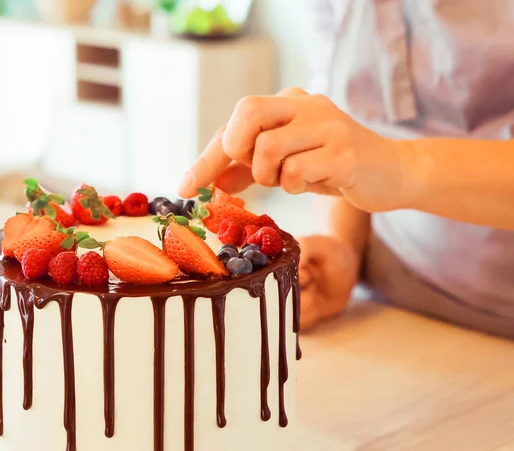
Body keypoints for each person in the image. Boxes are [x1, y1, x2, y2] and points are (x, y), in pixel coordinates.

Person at [177, 1, 514, 339]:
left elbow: (376, 156)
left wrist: (399, 166)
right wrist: (343, 248)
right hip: (388, 306)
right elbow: (343, 113)